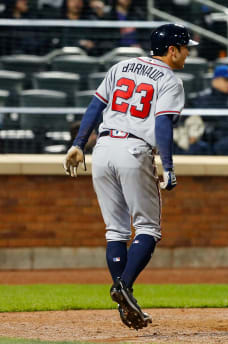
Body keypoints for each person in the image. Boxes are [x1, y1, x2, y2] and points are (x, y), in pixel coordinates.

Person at [62, 23, 198, 330]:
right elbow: (162, 125)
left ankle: (125, 297)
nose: (188, 53)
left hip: (104, 147)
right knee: (148, 227)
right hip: (134, 149)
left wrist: (77, 144)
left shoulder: (121, 65)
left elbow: (95, 106)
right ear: (172, 50)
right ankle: (122, 286)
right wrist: (168, 164)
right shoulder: (171, 80)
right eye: (186, 47)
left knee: (116, 231)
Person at [192, 65, 228, 155]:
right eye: (226, 80)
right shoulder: (203, 98)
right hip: (211, 142)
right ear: (215, 81)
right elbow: (195, 122)